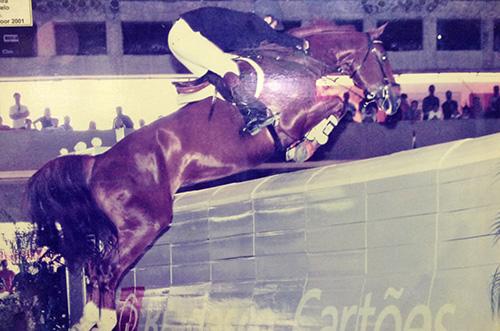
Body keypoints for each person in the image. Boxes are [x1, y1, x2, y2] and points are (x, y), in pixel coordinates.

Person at [168, 7, 308, 135]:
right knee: (230, 69)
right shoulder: (254, 21)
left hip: (178, 37)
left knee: (216, 75)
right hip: (187, 35)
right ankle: (254, 115)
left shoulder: (241, 25)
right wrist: (301, 43)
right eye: (273, 25)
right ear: (268, 18)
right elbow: (274, 37)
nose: (271, 29)